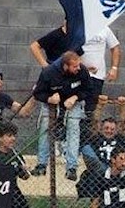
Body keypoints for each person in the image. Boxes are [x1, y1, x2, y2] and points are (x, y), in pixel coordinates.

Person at [32, 51, 93, 181]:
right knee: (45, 129)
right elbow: (37, 93)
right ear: (66, 66)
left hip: (73, 103)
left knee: (73, 128)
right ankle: (42, 164)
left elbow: (88, 89)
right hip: (52, 103)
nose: (78, 68)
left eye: (78, 65)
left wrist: (76, 97)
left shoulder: (82, 71)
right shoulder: (49, 72)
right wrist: (49, 99)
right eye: (74, 66)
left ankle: (71, 167)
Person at [29, 21, 74, 176]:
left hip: (68, 83)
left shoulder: (76, 37)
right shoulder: (56, 35)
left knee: (70, 124)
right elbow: (34, 46)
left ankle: (70, 165)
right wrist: (45, 65)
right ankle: (42, 163)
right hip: (52, 82)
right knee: (46, 123)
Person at [80, 27, 121, 114]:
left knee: (91, 108)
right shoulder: (79, 27)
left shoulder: (104, 28)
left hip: (97, 76)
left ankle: (87, 126)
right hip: (77, 74)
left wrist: (114, 68)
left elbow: (115, 47)